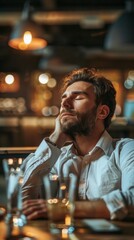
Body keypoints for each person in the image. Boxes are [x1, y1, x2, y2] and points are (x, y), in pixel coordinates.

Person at [22, 67, 134, 221]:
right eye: (64, 98)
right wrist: (55, 139)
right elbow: (22, 201)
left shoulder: (126, 150)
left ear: (102, 112)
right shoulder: (56, 157)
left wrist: (66, 208)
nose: (65, 104)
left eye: (78, 98)